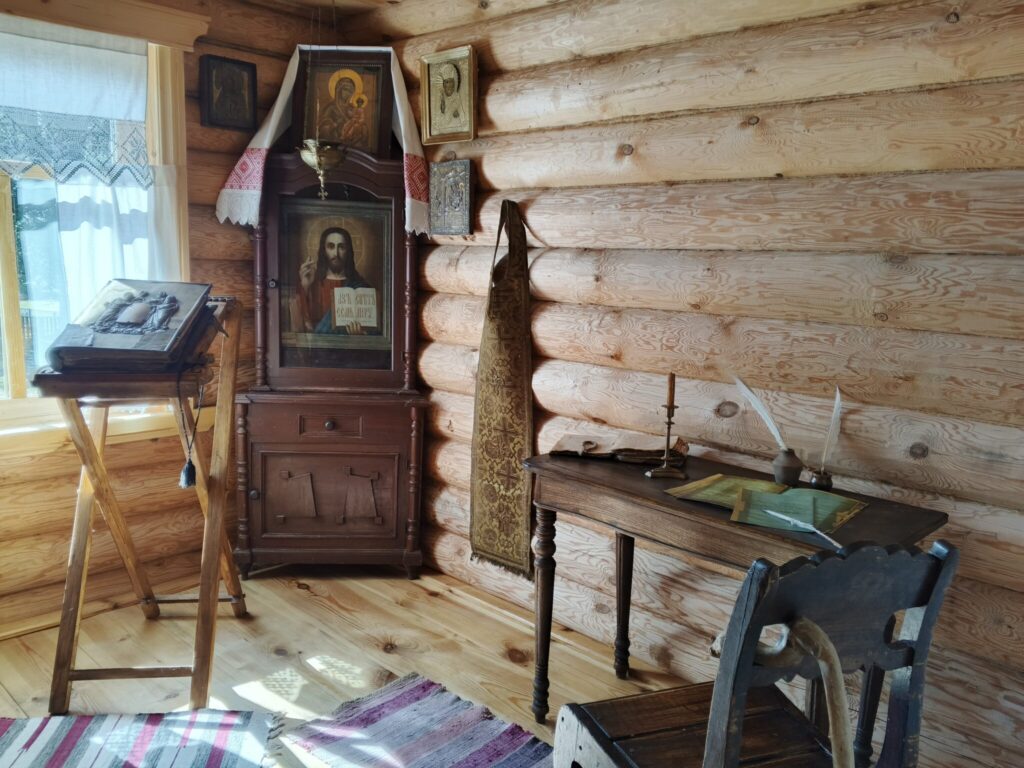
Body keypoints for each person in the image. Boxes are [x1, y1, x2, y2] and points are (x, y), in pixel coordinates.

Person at [296, 226, 377, 335]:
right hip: (318, 345)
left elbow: (374, 331)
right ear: (324, 251)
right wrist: (305, 287)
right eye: (331, 246)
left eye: (341, 247)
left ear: (348, 251)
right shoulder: (313, 285)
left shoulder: (360, 286)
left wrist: (360, 335)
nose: (336, 253)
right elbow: (302, 326)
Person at [317, 75, 370, 149]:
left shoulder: (352, 108)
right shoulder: (331, 107)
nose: (348, 93)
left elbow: (360, 122)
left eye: (351, 91)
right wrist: (335, 125)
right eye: (346, 90)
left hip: (352, 145)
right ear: (339, 90)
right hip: (334, 145)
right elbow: (323, 127)